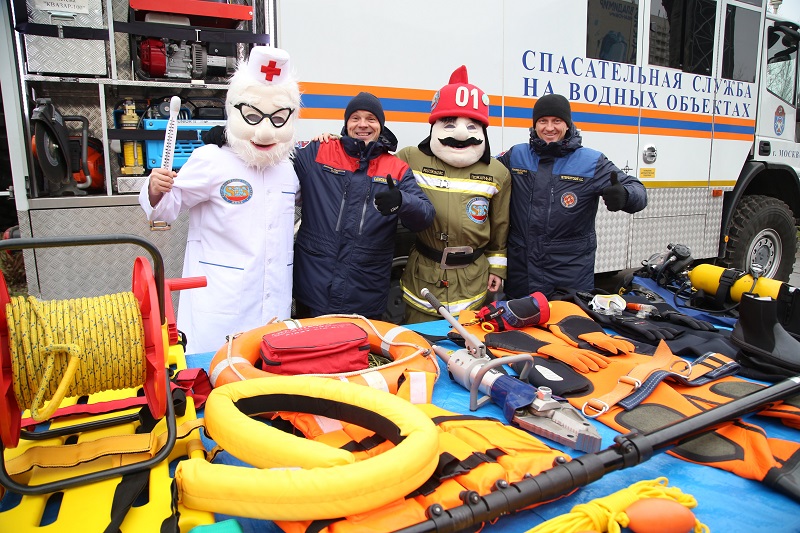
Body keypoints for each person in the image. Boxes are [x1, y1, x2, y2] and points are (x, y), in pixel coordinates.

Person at [140, 46, 300, 355]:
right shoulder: (211, 159)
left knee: (265, 371)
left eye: (279, 119)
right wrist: (156, 188)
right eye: (252, 116)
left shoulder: (287, 169)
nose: (265, 132)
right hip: (220, 304)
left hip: (273, 302)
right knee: (213, 372)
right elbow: (164, 211)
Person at [292, 92, 435, 318]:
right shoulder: (319, 151)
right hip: (314, 288)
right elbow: (274, 154)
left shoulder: (396, 168)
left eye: (371, 119)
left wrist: (402, 201)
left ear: (380, 126)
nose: (362, 124)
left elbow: (425, 216)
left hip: (364, 293)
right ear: (346, 123)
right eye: (355, 118)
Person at [497, 93, 647, 298]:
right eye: (543, 121)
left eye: (557, 121)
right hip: (522, 273)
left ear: (567, 124)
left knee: (568, 319)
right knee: (522, 319)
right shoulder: (516, 155)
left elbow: (638, 190)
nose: (549, 128)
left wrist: (625, 195)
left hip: (568, 274)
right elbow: (485, 169)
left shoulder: (591, 161)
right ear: (535, 125)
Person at [396, 65, 511, 323]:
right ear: (434, 126)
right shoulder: (410, 158)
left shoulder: (498, 172)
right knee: (421, 341)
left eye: (471, 125)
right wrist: (339, 141)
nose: (460, 133)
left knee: (468, 341)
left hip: (473, 283)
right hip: (423, 281)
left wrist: (497, 268)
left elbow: (500, 227)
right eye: (449, 124)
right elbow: (373, 165)